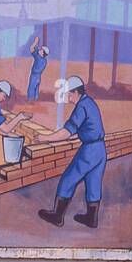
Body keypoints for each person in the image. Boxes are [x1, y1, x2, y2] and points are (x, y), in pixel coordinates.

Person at [38, 76, 107, 228]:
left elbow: (67, 131)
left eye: (69, 94)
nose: (68, 97)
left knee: (69, 178)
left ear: (76, 92)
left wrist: (44, 138)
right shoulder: (90, 102)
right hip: (100, 149)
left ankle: (57, 216)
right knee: (93, 182)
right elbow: (89, 126)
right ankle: (91, 218)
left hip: (89, 150)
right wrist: (76, 134)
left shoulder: (81, 106)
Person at [27, 36, 50, 101]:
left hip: (34, 76)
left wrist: (35, 42)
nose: (39, 49)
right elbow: (36, 50)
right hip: (38, 77)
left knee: (31, 88)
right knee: (36, 89)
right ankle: (36, 101)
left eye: (41, 49)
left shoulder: (38, 58)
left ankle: (30, 102)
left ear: (43, 52)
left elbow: (31, 49)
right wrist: (37, 45)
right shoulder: (44, 60)